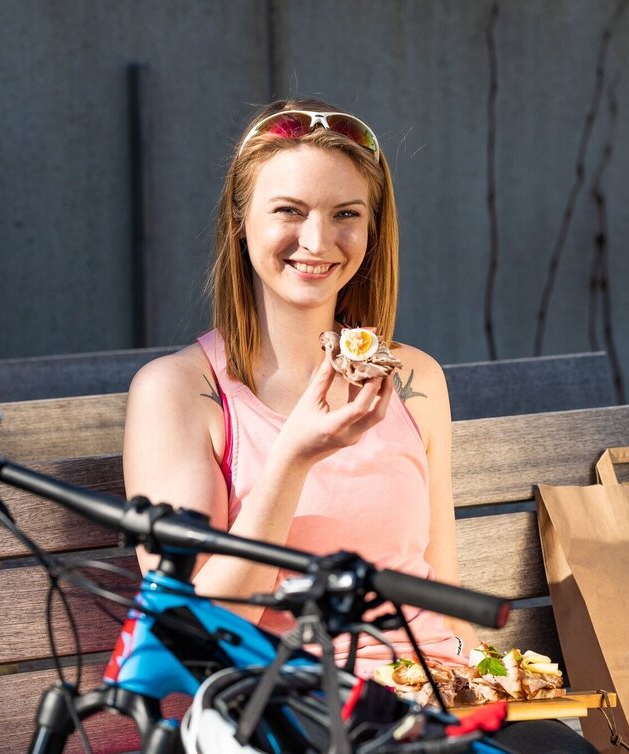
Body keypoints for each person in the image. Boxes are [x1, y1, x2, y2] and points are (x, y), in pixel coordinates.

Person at [123, 98, 596, 753]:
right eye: (288, 211)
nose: (317, 242)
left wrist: (478, 684)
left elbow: (441, 588)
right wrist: (291, 460)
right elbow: (194, 628)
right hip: (286, 710)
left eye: (346, 215)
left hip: (428, 705)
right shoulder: (179, 392)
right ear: (239, 222)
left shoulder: (416, 379)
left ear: (373, 230)